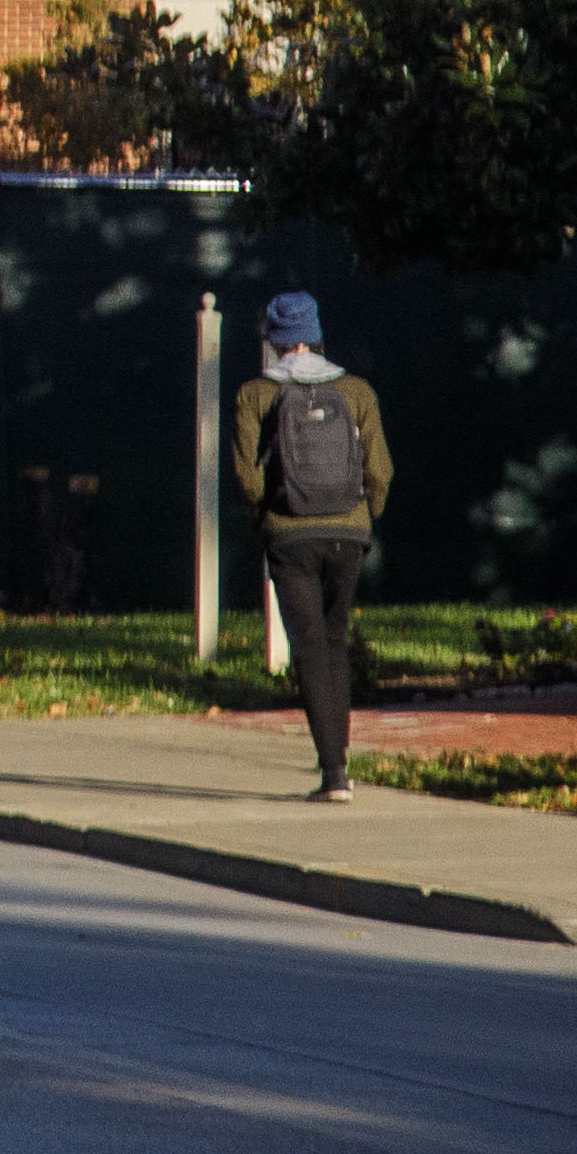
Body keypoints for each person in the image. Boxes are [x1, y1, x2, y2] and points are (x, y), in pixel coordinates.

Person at [232, 290, 394, 803]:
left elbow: (245, 476)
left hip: (290, 535)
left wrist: (265, 522)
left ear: (273, 341)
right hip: (349, 534)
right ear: (317, 331)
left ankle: (333, 774)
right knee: (334, 641)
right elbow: (381, 470)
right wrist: (366, 516)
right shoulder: (357, 392)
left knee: (308, 648)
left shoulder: (255, 395)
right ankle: (340, 765)